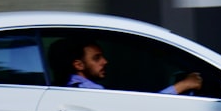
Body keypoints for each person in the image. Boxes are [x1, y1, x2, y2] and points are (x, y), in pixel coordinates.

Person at [50, 37, 202, 94]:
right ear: (79, 65)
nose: (105, 61)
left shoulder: (72, 89)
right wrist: (183, 85)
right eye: (97, 58)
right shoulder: (87, 91)